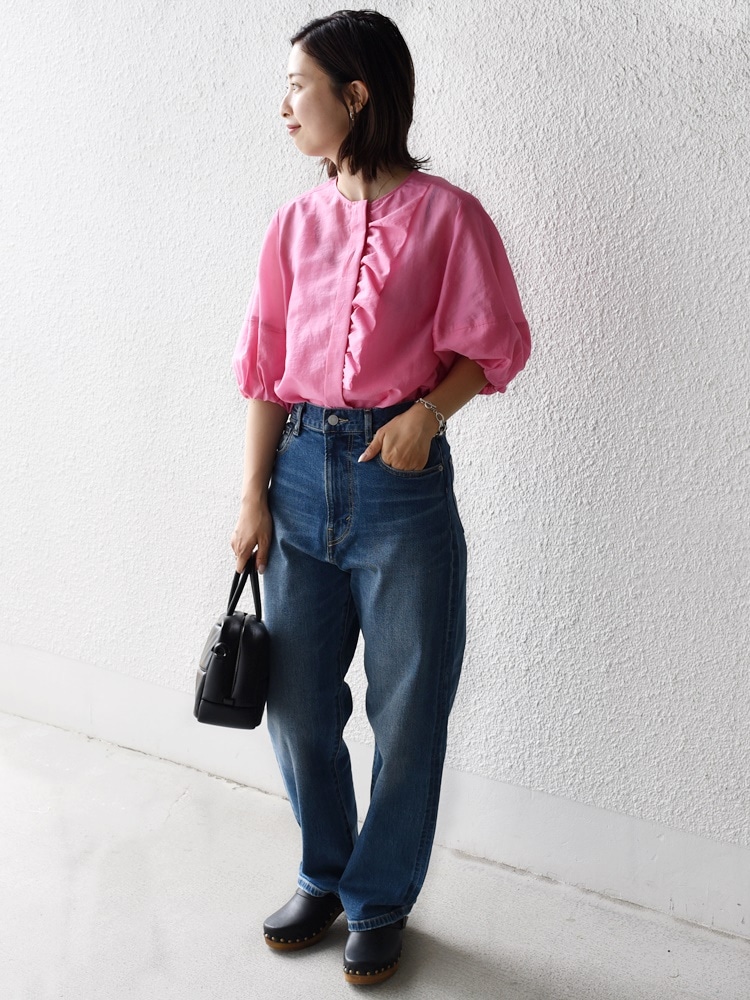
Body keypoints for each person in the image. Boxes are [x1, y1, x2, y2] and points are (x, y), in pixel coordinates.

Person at [230, 9, 530, 987]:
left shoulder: (450, 217)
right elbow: (266, 371)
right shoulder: (292, 224)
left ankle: (378, 897)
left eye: (299, 85)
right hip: (298, 476)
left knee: (408, 710)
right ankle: (324, 872)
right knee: (296, 705)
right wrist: (252, 496)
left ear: (356, 96)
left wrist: (427, 415)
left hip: (399, 489)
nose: (285, 105)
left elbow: (494, 345)